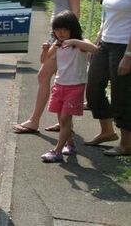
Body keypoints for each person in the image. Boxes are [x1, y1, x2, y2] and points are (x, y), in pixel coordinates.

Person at [14, 0, 82, 134]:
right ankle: (64, 123)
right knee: (58, 79)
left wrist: (64, 40)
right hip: (57, 36)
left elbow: (75, 12)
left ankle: (34, 121)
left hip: (65, 38)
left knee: (44, 76)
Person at [86, 0, 131, 156]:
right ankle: (106, 131)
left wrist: (129, 55)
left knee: (121, 95)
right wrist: (98, 37)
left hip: (125, 47)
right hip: (106, 43)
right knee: (93, 88)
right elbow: (108, 13)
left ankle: (126, 143)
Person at [40, 11, 97, 162]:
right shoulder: (58, 44)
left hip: (75, 87)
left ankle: (57, 152)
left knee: (65, 119)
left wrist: (75, 42)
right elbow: (44, 60)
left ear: (73, 28)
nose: (60, 33)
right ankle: (70, 145)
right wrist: (45, 49)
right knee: (62, 119)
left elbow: (95, 49)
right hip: (59, 85)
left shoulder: (80, 43)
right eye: (57, 30)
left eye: (64, 29)